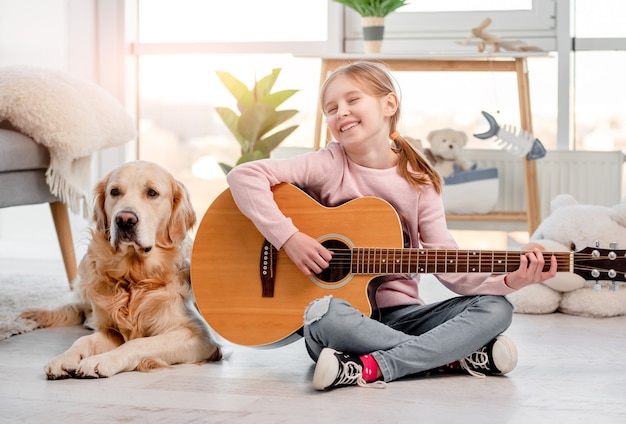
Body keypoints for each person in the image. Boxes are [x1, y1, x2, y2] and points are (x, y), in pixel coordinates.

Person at [226, 61, 557, 391]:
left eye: (353, 100)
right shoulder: (329, 163)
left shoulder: (419, 183)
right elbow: (245, 176)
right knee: (324, 315)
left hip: (405, 317)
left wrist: (513, 279)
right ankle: (450, 358)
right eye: (331, 108)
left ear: (389, 104)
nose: (341, 112)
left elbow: (454, 270)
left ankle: (374, 366)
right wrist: (289, 238)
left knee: (497, 307)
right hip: (345, 324)